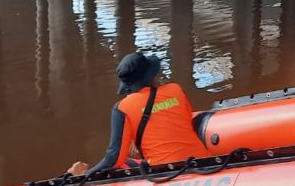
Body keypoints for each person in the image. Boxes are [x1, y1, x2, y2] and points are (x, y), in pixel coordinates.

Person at [67, 52, 204, 176]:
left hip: (164, 171)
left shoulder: (122, 108)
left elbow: (114, 158)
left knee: (124, 163)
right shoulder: (176, 90)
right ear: (152, 76)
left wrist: (85, 174)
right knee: (129, 161)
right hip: (202, 161)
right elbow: (186, 122)